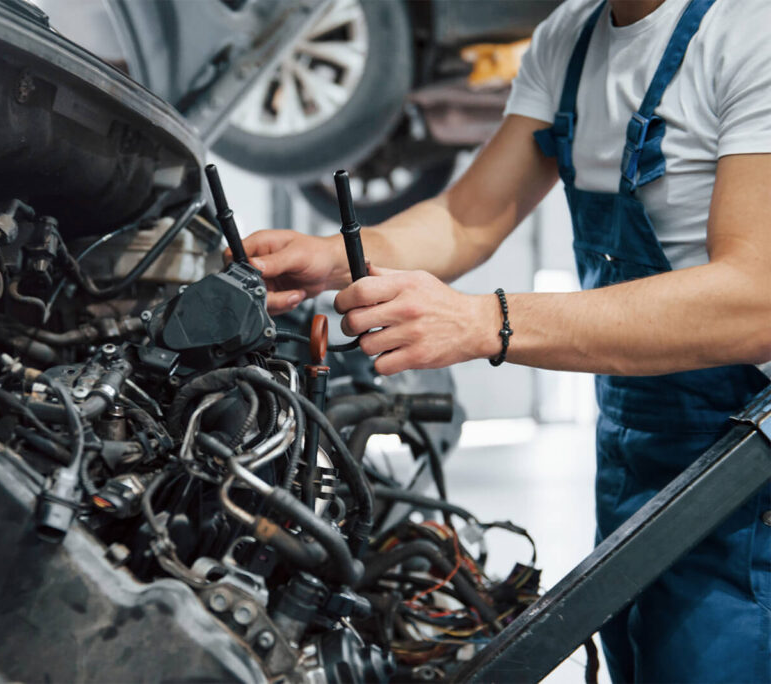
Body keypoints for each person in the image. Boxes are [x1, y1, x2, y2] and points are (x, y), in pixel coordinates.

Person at [235, 0, 771, 680]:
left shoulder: (750, 31)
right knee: (642, 655)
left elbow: (755, 299)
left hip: (744, 462)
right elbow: (466, 220)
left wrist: (484, 322)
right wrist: (335, 257)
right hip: (636, 442)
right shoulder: (570, 39)